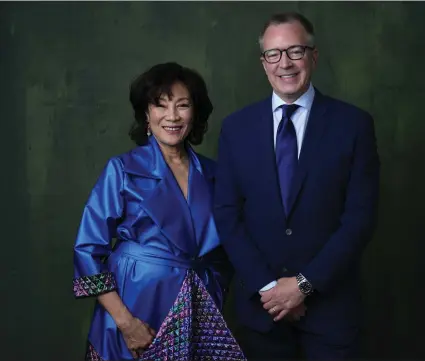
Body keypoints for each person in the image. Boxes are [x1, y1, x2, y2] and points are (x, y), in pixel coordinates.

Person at [213, 12, 380, 360]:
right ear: (263, 63)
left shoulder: (354, 126)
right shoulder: (235, 128)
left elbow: (359, 220)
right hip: (262, 312)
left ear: (313, 57)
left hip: (332, 311)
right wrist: (271, 290)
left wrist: (303, 286)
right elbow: (228, 216)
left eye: (295, 51)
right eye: (274, 53)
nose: (284, 63)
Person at [73, 62, 245, 361]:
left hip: (197, 311)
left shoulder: (215, 174)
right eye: (161, 105)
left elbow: (226, 246)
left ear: (195, 114)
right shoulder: (123, 169)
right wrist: (126, 323)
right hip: (135, 307)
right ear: (146, 114)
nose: (173, 116)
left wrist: (213, 291)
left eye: (183, 105)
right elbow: (87, 250)